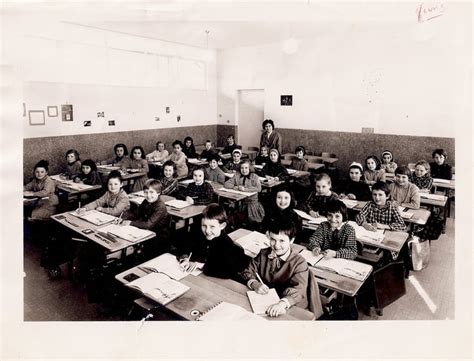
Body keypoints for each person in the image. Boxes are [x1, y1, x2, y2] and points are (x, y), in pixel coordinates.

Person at [240, 219, 323, 319]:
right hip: (264, 300)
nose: (276, 245)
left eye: (282, 241)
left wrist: (282, 303)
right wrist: (254, 283)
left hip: (290, 304)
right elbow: (247, 271)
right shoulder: (263, 253)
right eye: (273, 239)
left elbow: (298, 290)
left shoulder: (299, 263)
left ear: (291, 240)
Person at [177, 204, 251, 281]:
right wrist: (185, 258)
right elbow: (184, 246)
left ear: (222, 226)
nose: (207, 231)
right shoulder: (198, 235)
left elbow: (226, 271)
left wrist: (201, 265)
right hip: (197, 278)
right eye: (204, 226)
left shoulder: (227, 244)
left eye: (212, 227)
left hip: (217, 283)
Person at [122, 179, 171, 255]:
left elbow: (148, 224)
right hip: (146, 231)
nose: (148, 195)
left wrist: (130, 223)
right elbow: (136, 214)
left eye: (151, 192)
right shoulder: (146, 201)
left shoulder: (160, 207)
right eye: (145, 192)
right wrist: (123, 217)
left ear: (158, 193)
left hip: (158, 237)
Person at [224, 160, 265, 225]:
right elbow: (226, 184)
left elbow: (258, 188)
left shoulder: (254, 176)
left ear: (249, 168)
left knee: (252, 223)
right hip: (241, 203)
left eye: (246, 168)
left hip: (251, 204)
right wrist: (236, 187)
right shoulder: (237, 175)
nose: (244, 170)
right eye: (242, 168)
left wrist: (245, 189)